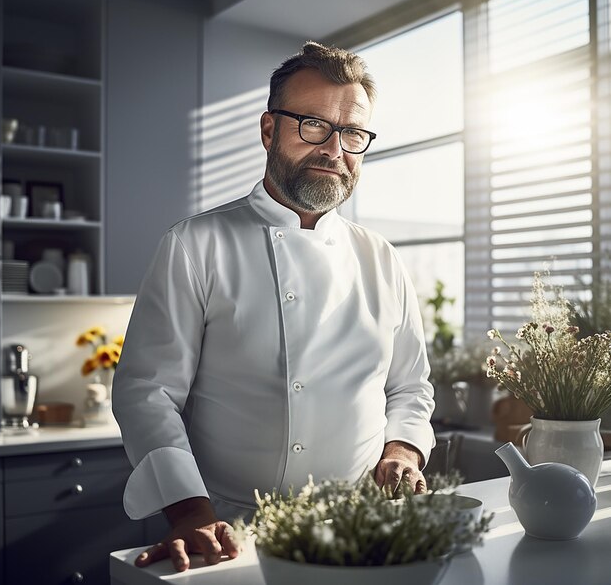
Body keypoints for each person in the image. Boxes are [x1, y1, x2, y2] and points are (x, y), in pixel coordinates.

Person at [112, 41, 435, 573]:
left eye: (352, 133)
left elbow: (410, 386)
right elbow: (148, 392)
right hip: (228, 533)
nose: (334, 149)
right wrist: (190, 511)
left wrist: (402, 449)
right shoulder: (196, 244)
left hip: (359, 529)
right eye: (312, 124)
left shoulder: (382, 259)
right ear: (269, 130)